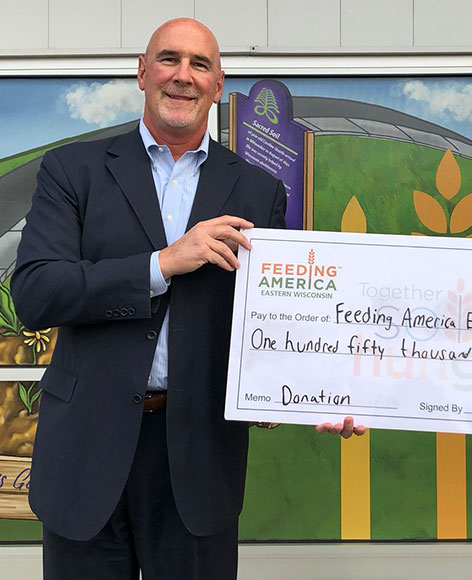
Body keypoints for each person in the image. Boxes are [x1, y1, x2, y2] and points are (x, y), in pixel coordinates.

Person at [11, 18, 362, 580]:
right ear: (142, 73)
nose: (183, 76)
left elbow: (276, 318)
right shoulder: (73, 172)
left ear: (218, 85)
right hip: (87, 452)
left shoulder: (259, 190)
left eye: (200, 64)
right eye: (169, 60)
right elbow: (34, 291)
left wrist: (315, 395)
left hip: (198, 458)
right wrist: (161, 265)